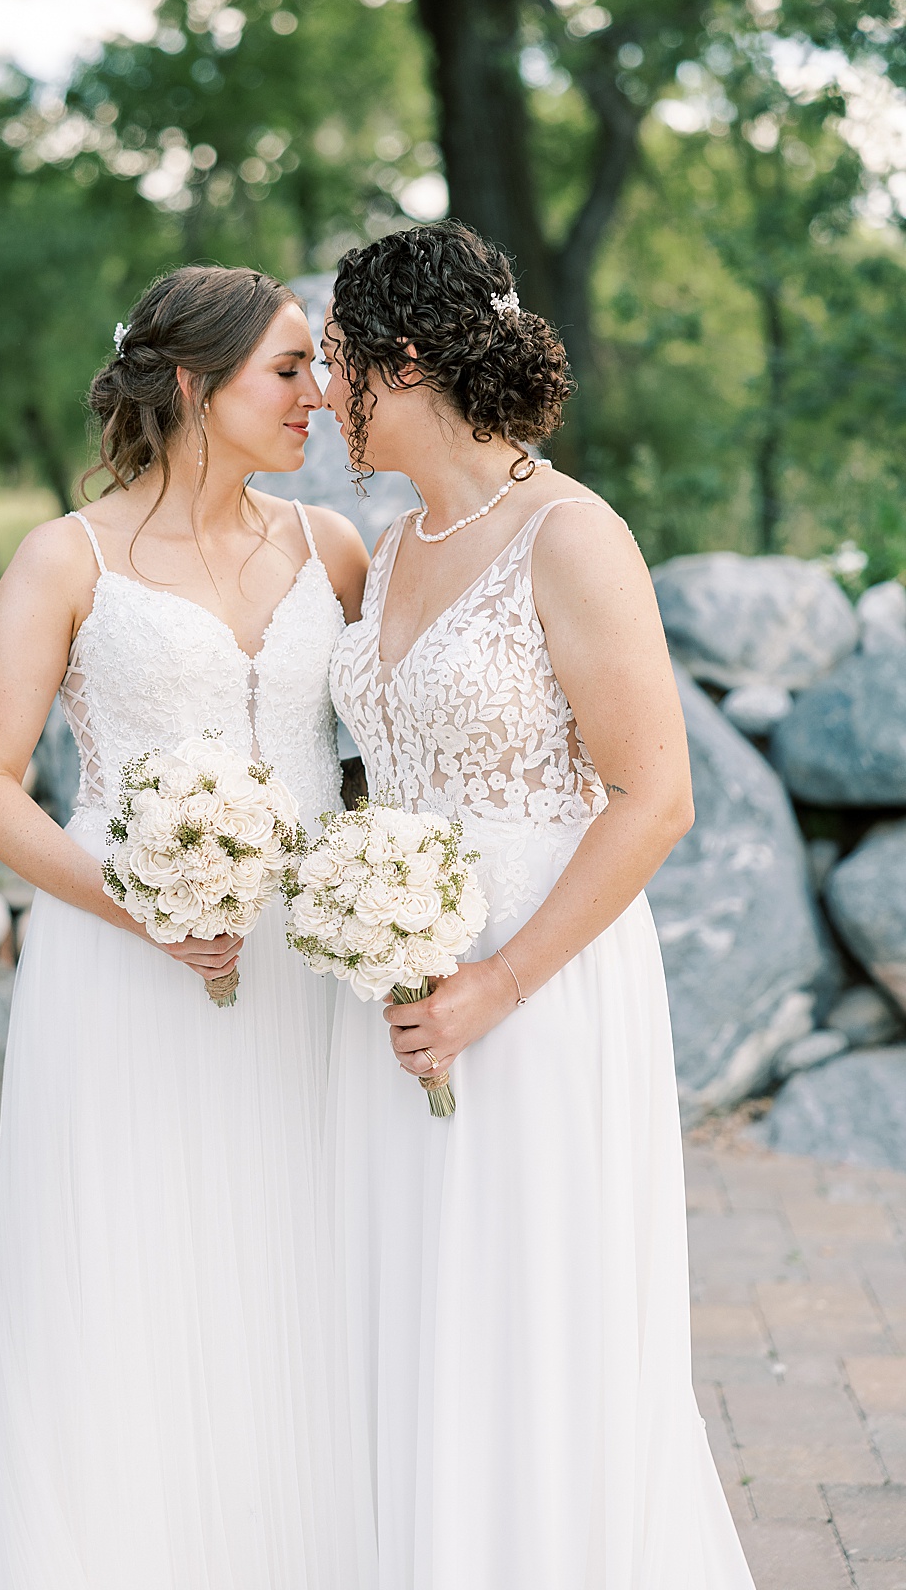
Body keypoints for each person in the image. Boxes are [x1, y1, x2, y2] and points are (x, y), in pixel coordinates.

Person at [0, 265, 371, 1590]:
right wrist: (143, 906)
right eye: (288, 368)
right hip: (123, 970)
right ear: (195, 389)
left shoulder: (331, 549)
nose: (317, 392)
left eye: (318, 367)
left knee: (301, 1263)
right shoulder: (66, 557)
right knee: (129, 1278)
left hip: (302, 979)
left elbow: (384, 749)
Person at [322, 221, 755, 1590]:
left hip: (539, 989)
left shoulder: (573, 535)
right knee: (412, 1316)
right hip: (395, 995)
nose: (324, 394)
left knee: (532, 1317)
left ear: (400, 366)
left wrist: (495, 986)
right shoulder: (387, 553)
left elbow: (656, 797)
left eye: (337, 364)